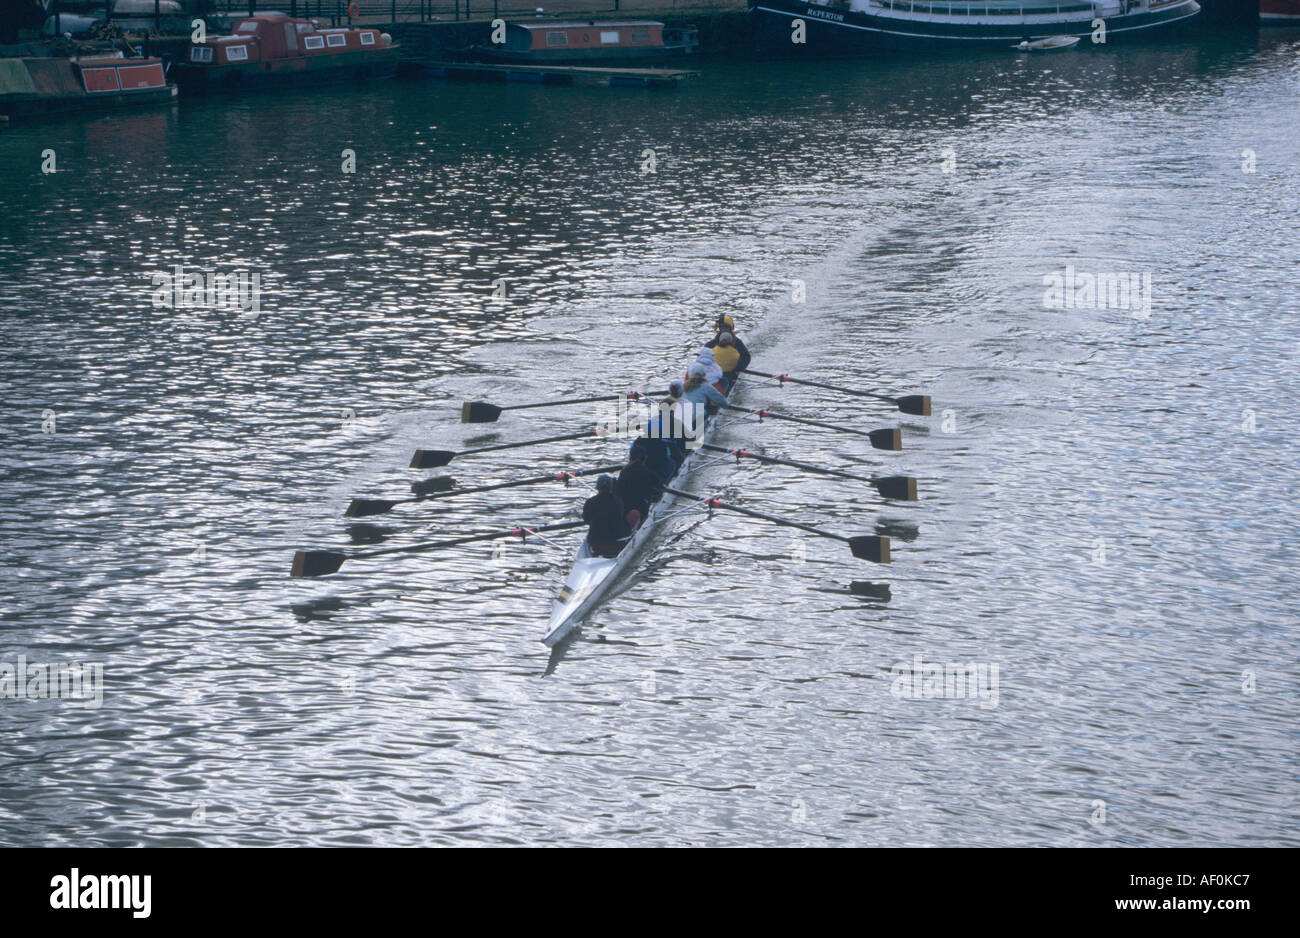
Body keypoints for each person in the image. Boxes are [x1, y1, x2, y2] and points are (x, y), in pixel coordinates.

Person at [583, 475, 629, 558]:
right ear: (611, 488)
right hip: (615, 540)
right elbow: (621, 515)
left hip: (595, 541)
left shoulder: (589, 502)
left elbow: (586, 520)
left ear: (597, 487)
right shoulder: (618, 501)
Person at [616, 447, 659, 531]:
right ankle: (639, 524)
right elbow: (650, 491)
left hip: (623, 508)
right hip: (638, 509)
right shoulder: (646, 472)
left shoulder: (624, 471)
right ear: (644, 458)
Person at [629, 417, 679, 484]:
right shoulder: (663, 445)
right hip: (653, 474)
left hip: (637, 470)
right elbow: (667, 458)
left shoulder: (637, 442)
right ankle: (665, 483)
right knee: (672, 463)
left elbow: (631, 456)